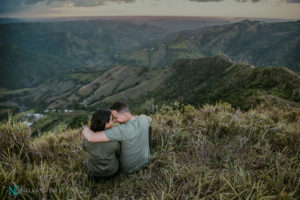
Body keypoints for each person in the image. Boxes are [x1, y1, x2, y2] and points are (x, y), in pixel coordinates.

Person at [82, 101, 152, 173]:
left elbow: (91, 137)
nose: (114, 120)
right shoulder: (144, 119)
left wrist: (85, 128)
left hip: (129, 169)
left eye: (115, 117)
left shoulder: (121, 130)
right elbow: (150, 119)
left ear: (124, 115)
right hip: (146, 160)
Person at [82, 109, 120, 180]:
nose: (114, 120)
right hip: (112, 172)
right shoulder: (114, 139)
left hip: (94, 173)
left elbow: (84, 148)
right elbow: (118, 153)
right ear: (105, 123)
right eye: (112, 119)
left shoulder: (86, 138)